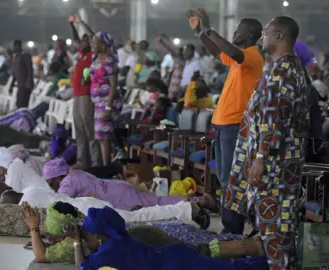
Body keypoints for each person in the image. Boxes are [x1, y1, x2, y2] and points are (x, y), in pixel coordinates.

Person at [224, 16, 308, 269]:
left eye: (267, 34)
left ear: (280, 36)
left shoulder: (283, 70)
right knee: (271, 228)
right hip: (275, 162)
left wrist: (260, 158)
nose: (263, 38)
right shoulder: (281, 66)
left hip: (274, 165)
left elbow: (274, 119)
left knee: (275, 230)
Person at [187, 8, 264, 234]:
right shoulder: (239, 58)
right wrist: (201, 33)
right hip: (223, 124)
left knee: (233, 179)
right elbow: (216, 53)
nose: (235, 32)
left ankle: (232, 229)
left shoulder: (252, 55)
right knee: (225, 178)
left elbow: (233, 52)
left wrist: (210, 28)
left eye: (239, 29)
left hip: (235, 125)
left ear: (249, 34)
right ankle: (231, 226)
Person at [0, 147, 210, 226]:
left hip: (102, 204)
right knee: (148, 208)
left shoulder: (63, 184)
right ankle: (189, 207)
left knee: (141, 215)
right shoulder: (53, 184)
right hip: (103, 198)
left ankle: (190, 207)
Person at [22, 202, 266, 265]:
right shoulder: (91, 221)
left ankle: (252, 248)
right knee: (201, 243)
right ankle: (251, 245)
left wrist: (33, 227)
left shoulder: (87, 242)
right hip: (146, 233)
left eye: (53, 236)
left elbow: (42, 255)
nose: (51, 240)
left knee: (202, 250)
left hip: (155, 244)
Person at [43, 158, 216, 217]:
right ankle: (196, 202)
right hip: (117, 189)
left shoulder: (68, 182)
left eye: (52, 182)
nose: (54, 186)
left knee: (156, 203)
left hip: (118, 196)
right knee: (155, 201)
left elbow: (60, 201)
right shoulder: (75, 174)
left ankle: (198, 201)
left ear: (58, 177)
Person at [69, 16, 101, 169]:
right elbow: (75, 38)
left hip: (86, 94)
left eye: (86, 40)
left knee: (89, 127)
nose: (82, 42)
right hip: (76, 94)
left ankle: (95, 160)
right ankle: (82, 160)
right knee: (79, 128)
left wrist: (81, 23)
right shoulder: (82, 54)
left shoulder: (93, 55)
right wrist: (72, 25)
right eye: (82, 41)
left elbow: (94, 36)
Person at [90, 32, 122, 166]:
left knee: (103, 135)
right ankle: (107, 164)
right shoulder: (94, 58)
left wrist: (109, 107)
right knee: (100, 136)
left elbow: (113, 85)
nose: (92, 44)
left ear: (103, 45)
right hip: (98, 102)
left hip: (107, 101)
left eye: (95, 41)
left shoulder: (108, 61)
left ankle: (106, 167)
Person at [11, 40, 34, 108]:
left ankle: (23, 117)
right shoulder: (15, 57)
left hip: (25, 84)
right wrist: (11, 84)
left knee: (22, 104)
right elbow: (14, 73)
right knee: (19, 103)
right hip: (20, 84)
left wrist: (29, 81)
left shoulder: (25, 56)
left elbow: (30, 69)